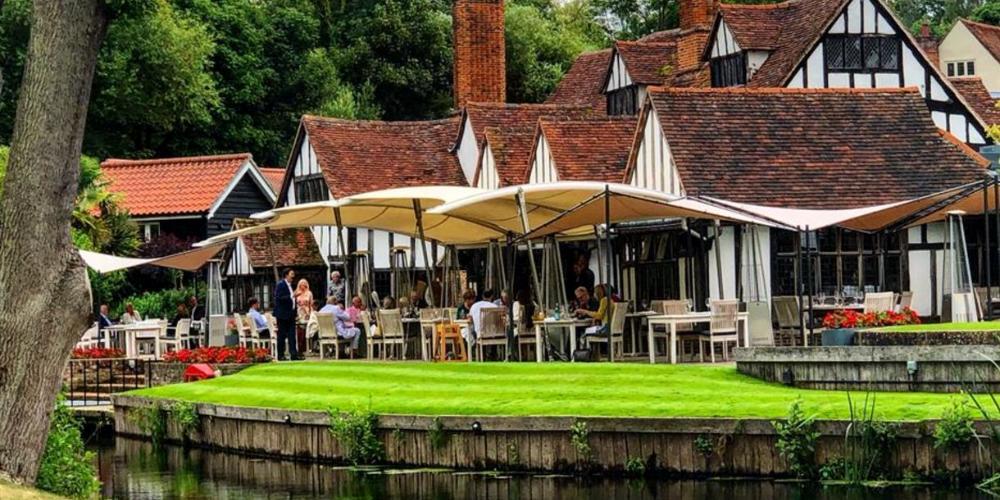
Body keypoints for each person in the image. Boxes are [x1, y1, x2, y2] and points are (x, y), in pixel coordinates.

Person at [273, 268, 300, 360]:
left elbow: (292, 300)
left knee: (292, 335)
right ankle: (280, 355)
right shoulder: (281, 285)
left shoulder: (290, 286)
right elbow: (279, 297)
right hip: (282, 314)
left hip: (290, 314)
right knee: (282, 335)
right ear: (286, 275)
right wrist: (292, 296)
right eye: (291, 274)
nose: (293, 276)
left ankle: (294, 355)